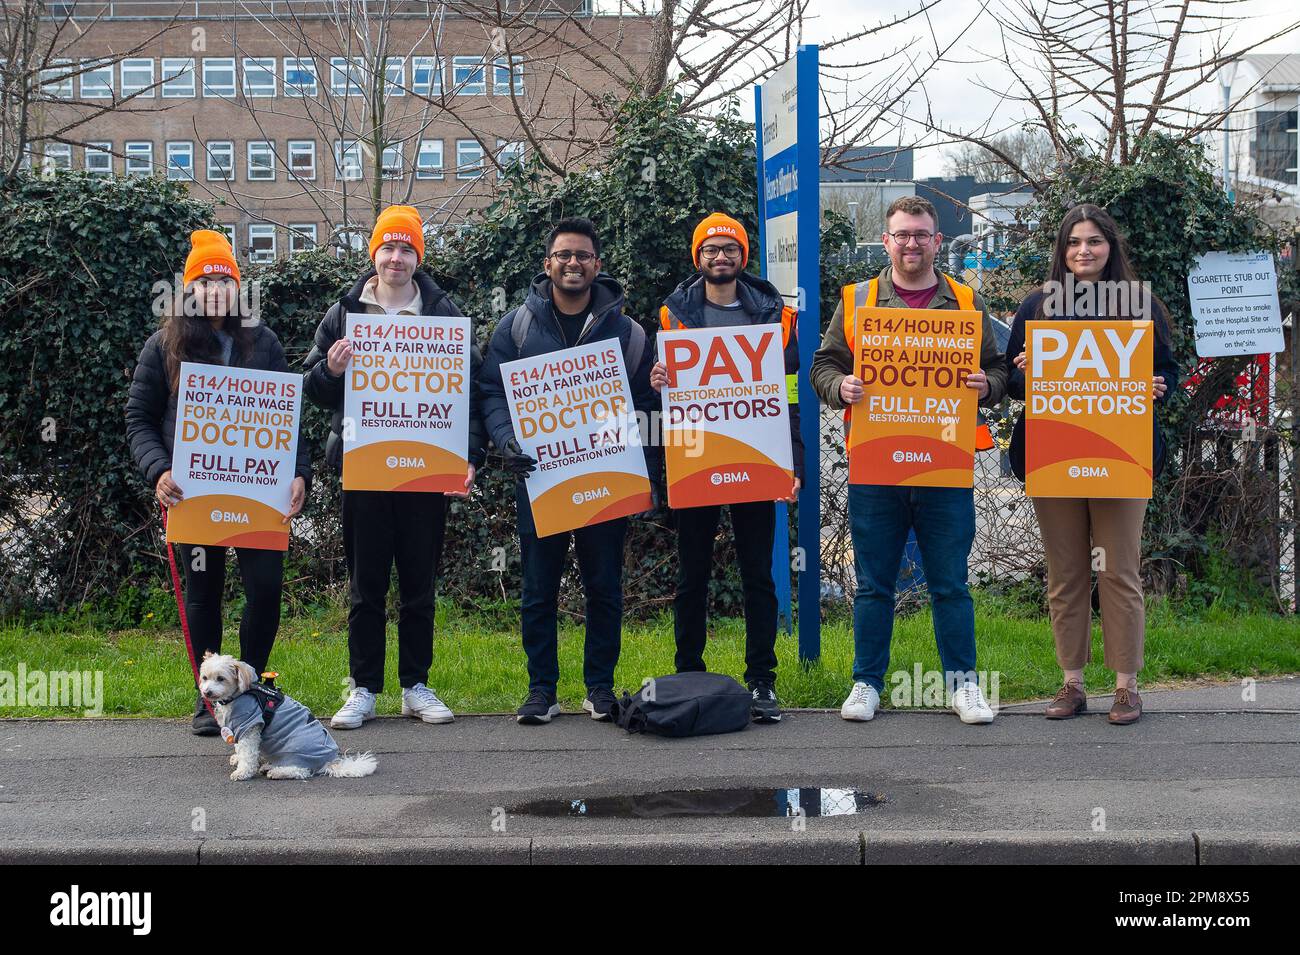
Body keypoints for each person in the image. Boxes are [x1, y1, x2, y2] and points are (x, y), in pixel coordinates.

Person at [810, 195, 1007, 725]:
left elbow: (1001, 371)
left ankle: (964, 686)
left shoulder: (966, 301)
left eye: (922, 234)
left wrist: (988, 384)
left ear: (937, 241)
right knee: (874, 581)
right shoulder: (857, 299)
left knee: (950, 582)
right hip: (876, 464)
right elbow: (823, 364)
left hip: (945, 464)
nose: (912, 243)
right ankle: (866, 683)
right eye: (902, 234)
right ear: (887, 240)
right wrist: (839, 386)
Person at [302, 205, 486, 729]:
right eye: (388, 247)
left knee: (419, 583)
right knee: (365, 585)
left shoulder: (444, 314)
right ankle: (362, 689)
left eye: (407, 248)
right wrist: (332, 371)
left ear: (418, 256)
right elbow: (309, 388)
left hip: (427, 469)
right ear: (374, 254)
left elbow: (471, 395)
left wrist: (468, 456)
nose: (397, 257)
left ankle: (415, 686)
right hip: (364, 468)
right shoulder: (343, 313)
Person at [126, 229, 310, 736]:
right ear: (189, 288)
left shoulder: (264, 341)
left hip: (259, 492)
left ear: (236, 287)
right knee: (203, 591)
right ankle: (210, 701)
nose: (214, 289)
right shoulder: (163, 346)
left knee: (266, 589)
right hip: (195, 492)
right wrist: (158, 470)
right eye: (203, 280)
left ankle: (250, 690)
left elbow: (287, 418)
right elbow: (139, 418)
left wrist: (299, 472)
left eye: (223, 279)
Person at [1005, 203, 1179, 725]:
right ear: (1062, 250)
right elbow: (1011, 384)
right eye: (1075, 242)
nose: (1084, 250)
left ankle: (1126, 687)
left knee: (1120, 571)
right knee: (1067, 573)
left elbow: (1168, 372)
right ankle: (1071, 684)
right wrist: (1023, 372)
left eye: (1095, 241)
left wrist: (1157, 387)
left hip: (1121, 457)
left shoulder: (1141, 305)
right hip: (1054, 456)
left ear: (1111, 247)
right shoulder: (1037, 307)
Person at [479, 217, 657, 724]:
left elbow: (644, 405)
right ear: (548, 265)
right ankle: (542, 690)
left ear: (597, 265)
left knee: (604, 584)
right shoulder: (516, 328)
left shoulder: (629, 333)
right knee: (539, 587)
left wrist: (640, 469)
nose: (573, 263)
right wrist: (505, 439)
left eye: (582, 256)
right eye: (563, 255)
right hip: (540, 477)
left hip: (606, 477)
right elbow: (492, 392)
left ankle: (599, 687)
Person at [648, 213, 802, 723]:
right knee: (692, 574)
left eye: (729, 248)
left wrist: (793, 462)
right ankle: (688, 673)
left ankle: (762, 680)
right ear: (699, 257)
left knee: (758, 574)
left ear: (743, 256)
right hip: (697, 456)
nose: (720, 256)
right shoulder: (673, 314)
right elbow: (663, 390)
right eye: (711, 249)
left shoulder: (776, 316)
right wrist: (659, 377)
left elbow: (792, 395)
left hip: (758, 458)